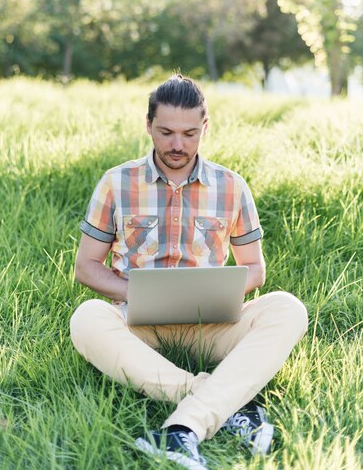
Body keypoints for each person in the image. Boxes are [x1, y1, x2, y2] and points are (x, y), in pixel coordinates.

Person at [70, 74, 308, 470]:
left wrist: (220, 291)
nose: (177, 145)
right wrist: (135, 291)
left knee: (287, 308)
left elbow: (255, 269)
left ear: (205, 128)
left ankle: (181, 428)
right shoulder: (116, 183)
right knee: (86, 318)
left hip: (209, 326)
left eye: (189, 133)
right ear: (148, 126)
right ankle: (217, 399)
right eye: (165, 132)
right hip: (136, 324)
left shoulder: (232, 186)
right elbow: (86, 267)